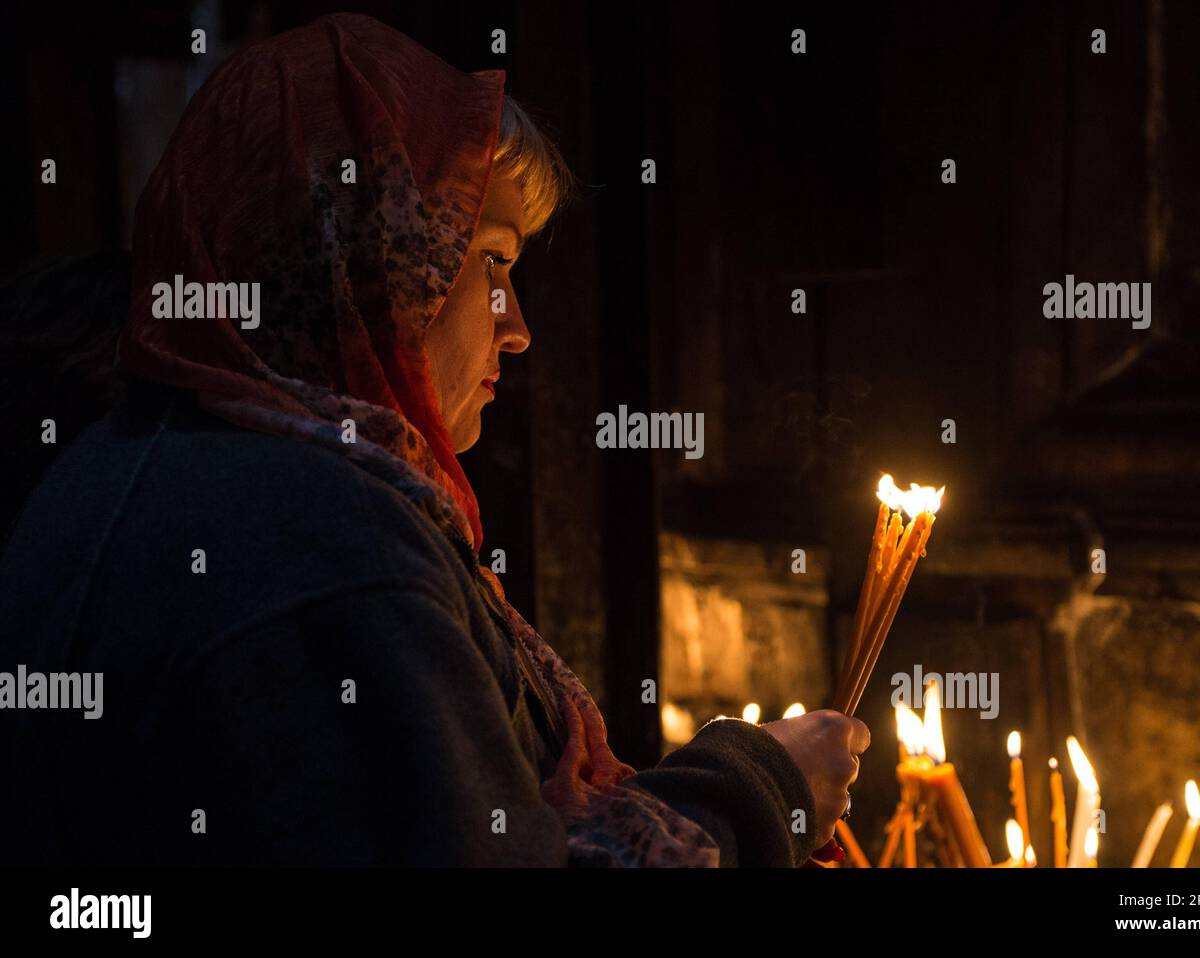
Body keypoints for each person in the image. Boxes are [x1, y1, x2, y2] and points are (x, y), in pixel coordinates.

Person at [0, 12, 868, 867]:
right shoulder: (317, 539)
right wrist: (760, 789)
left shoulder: (146, 466)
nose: (519, 327)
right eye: (489, 260)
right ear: (370, 258)